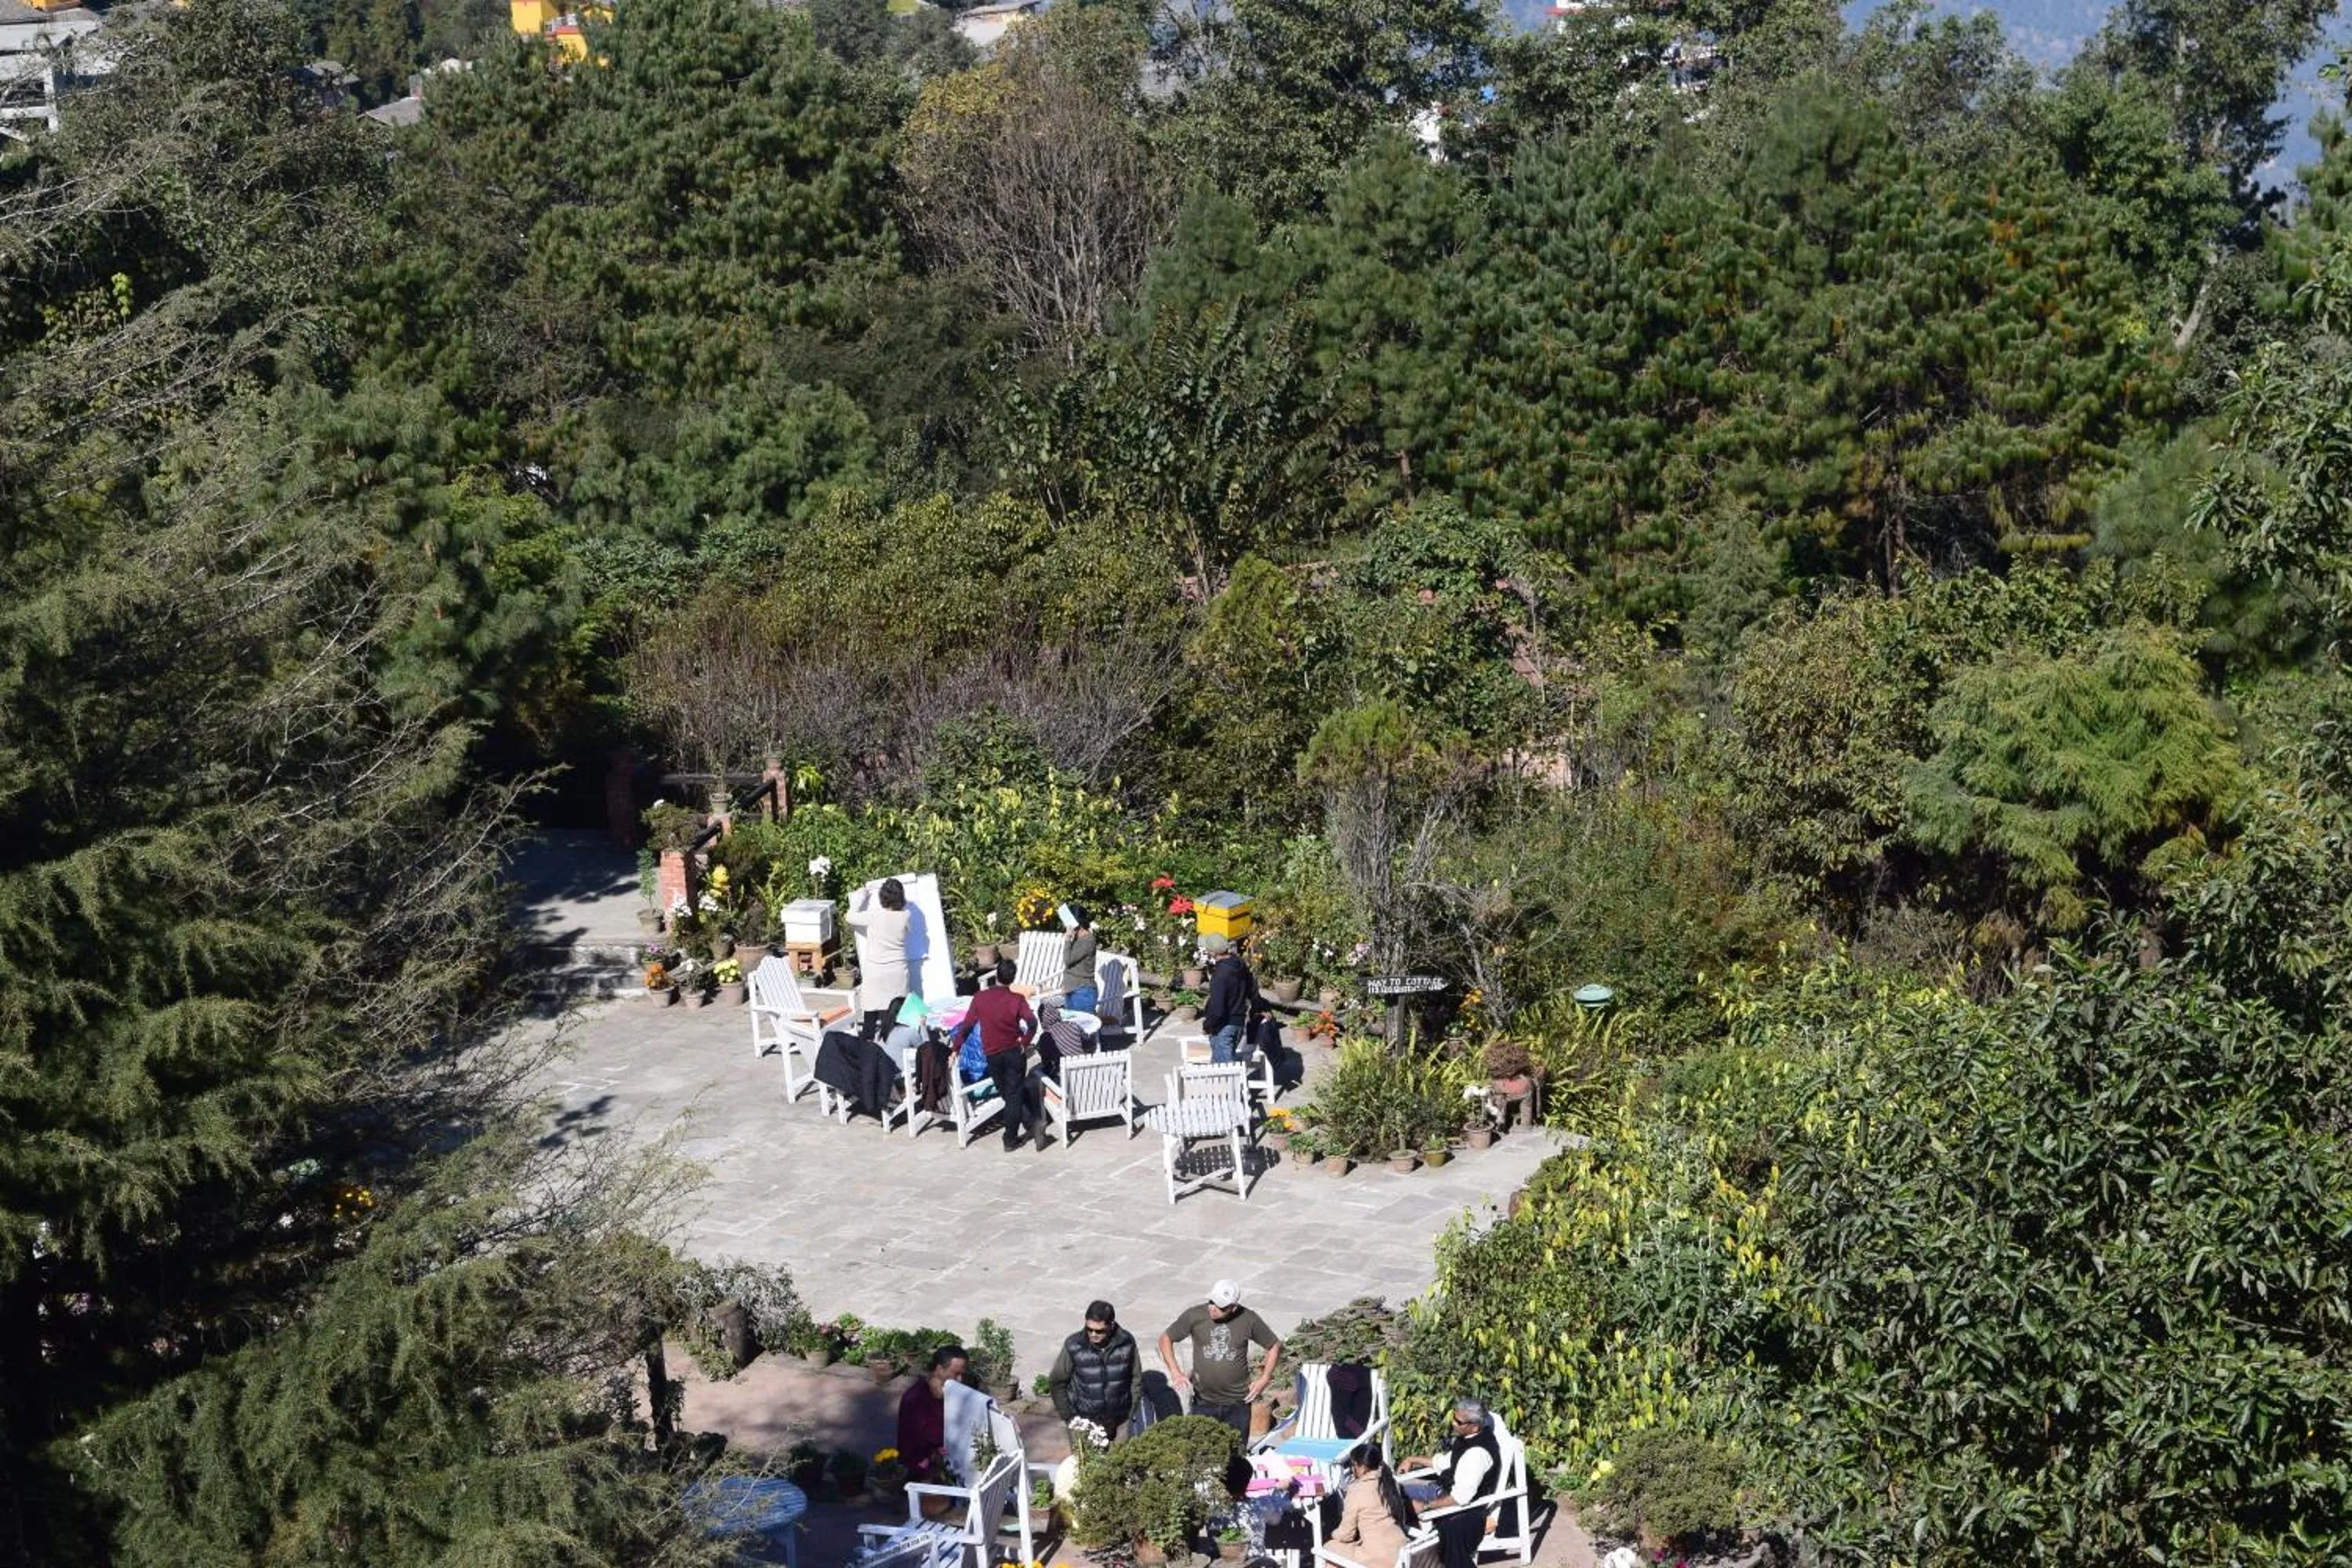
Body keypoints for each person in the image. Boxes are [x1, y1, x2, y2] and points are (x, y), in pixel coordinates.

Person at [1159, 1279, 1282, 1444]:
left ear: (1233, 1307)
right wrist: (1175, 1372)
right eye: (1212, 1302)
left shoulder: (1248, 1319)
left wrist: (1265, 1378)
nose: (1213, 1309)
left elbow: (1273, 1345)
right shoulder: (1195, 1315)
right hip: (1203, 1402)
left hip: (1238, 1404)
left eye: (1221, 1307)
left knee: (1236, 1456)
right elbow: (1166, 1338)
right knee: (1200, 1453)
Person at [1400, 1397, 1504, 1568]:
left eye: (1458, 1421)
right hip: (1440, 1489)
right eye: (1453, 1418)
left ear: (1475, 1426)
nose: (1453, 1423)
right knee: (1394, 1492)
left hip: (1457, 1505)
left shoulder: (1477, 1454)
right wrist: (1411, 1459)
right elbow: (1443, 1462)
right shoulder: (1467, 1439)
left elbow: (1460, 1498)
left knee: (1397, 1502)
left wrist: (1424, 1506)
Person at [952, 956, 1041, 1151]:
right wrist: (1024, 1041)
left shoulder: (980, 998)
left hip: (992, 1054)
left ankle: (1027, 1127)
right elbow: (1033, 1024)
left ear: (996, 975)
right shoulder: (1017, 1000)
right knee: (1013, 1094)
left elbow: (966, 1026)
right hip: (1014, 1052)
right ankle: (1016, 1134)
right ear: (1012, 978)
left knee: (1009, 1093)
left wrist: (956, 1048)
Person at [1048, 1299, 1142, 1442]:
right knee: (1084, 1464)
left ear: (1111, 1325)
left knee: (1119, 1462)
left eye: (1099, 1331)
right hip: (1084, 1422)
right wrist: (1069, 1416)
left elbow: (1136, 1378)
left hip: (1119, 1421)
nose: (1093, 1334)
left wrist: (1131, 1411)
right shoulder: (1074, 1345)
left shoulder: (1126, 1342)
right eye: (1089, 1329)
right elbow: (1057, 1382)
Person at [1327, 1442, 1419, 1566]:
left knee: (1329, 1548)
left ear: (1359, 1467)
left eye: (1353, 1465)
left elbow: (1346, 1535)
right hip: (1400, 1549)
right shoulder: (1390, 1482)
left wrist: (1332, 1534)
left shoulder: (1357, 1490)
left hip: (1379, 1558)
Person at [896, 1344, 969, 1483]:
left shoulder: (947, 1389)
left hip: (942, 1451)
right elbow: (936, 1436)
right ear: (939, 1369)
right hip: (921, 1462)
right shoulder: (917, 1398)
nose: (960, 1380)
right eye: (956, 1374)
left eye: (962, 1374)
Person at [849, 878, 913, 1036]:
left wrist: (860, 896)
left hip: (875, 972)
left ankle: (867, 1046)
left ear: (882, 898)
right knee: (896, 1016)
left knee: (870, 1013)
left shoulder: (873, 916)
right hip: (898, 972)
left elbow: (850, 917)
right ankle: (896, 1045)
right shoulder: (907, 915)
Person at [1201, 935, 1261, 1064]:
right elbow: (1252, 988)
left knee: (1224, 1074)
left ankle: (1235, 1084)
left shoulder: (1220, 975)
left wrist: (1208, 1026)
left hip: (1224, 1026)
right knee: (1223, 1069)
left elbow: (1218, 1009)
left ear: (1213, 952)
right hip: (1238, 1022)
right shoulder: (1239, 965)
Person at [1058, 904, 1099, 1016]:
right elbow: (1071, 968)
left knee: (1081, 1030)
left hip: (1083, 992)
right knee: (1073, 1030)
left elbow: (1068, 960)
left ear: (1077, 922)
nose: (1066, 925)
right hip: (1073, 990)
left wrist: (1067, 939)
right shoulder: (1077, 937)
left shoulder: (1088, 940)